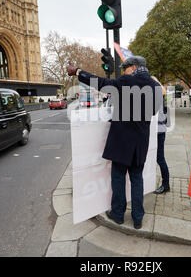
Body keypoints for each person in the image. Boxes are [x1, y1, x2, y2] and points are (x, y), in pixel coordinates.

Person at [67, 56, 162, 229]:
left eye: (125, 68)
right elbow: (154, 111)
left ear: (133, 67)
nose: (123, 71)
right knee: (137, 179)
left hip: (121, 141)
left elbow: (101, 83)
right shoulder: (156, 87)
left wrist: (78, 72)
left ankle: (118, 214)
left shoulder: (126, 81)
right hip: (140, 142)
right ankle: (138, 218)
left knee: (118, 178)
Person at [151, 76, 170, 195]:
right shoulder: (160, 94)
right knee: (158, 158)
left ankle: (166, 184)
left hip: (158, 131)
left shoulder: (156, 95)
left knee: (160, 158)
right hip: (158, 130)